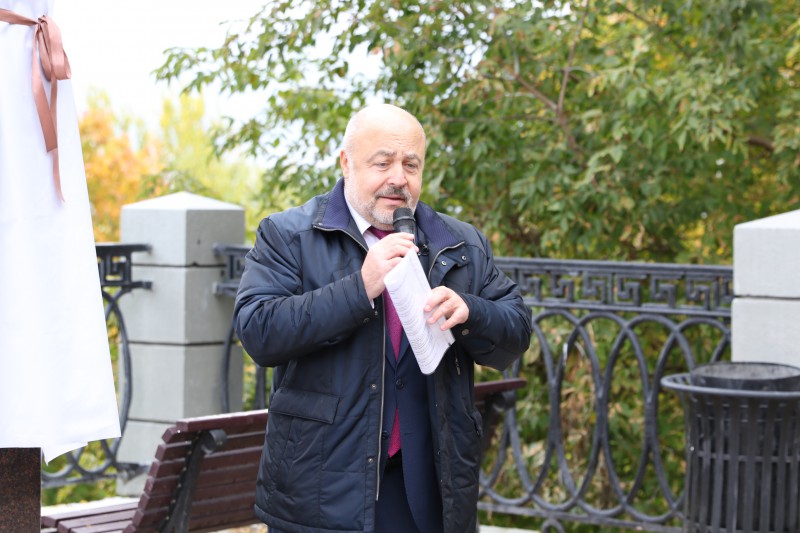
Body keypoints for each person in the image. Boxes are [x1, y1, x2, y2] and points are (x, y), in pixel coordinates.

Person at [234, 103, 532, 533]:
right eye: (383, 163)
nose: (399, 178)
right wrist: (360, 287)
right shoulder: (289, 235)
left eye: (411, 165)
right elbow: (259, 330)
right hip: (322, 492)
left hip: (430, 491)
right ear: (346, 163)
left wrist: (472, 312)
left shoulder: (458, 243)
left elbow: (516, 330)